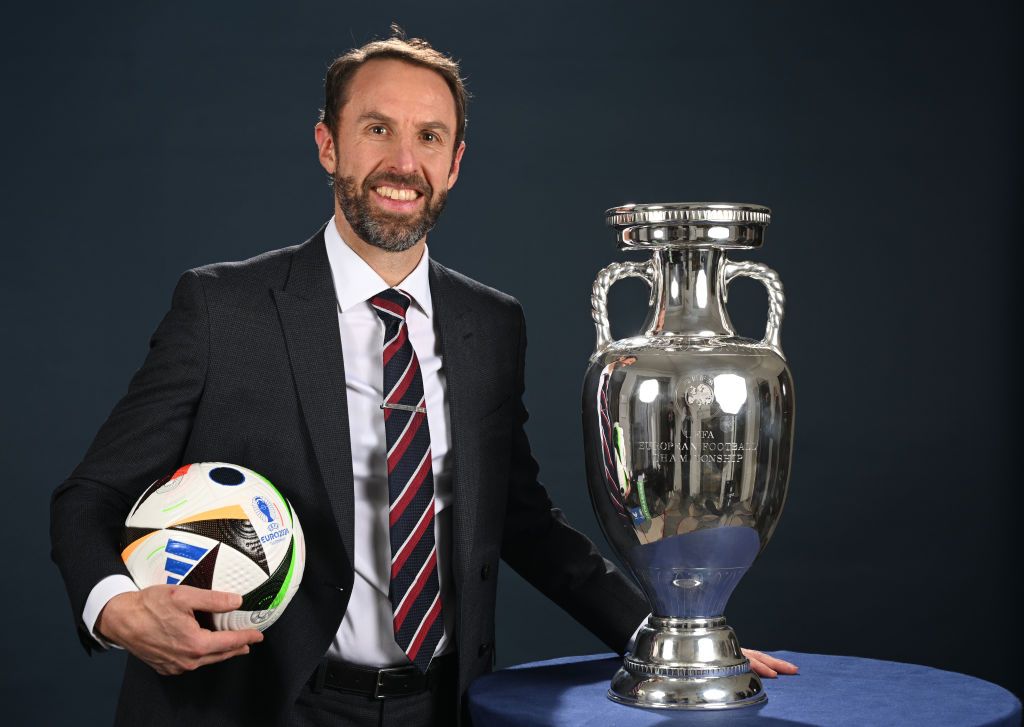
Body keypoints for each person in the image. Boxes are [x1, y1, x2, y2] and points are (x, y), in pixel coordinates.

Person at [49, 27, 796, 727]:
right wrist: (116, 607)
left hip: (441, 706)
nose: (403, 162)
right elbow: (92, 495)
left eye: (428, 137)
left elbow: (521, 519)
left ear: (454, 164)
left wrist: (668, 634)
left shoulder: (491, 324)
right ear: (327, 145)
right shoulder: (223, 309)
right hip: (259, 702)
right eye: (377, 129)